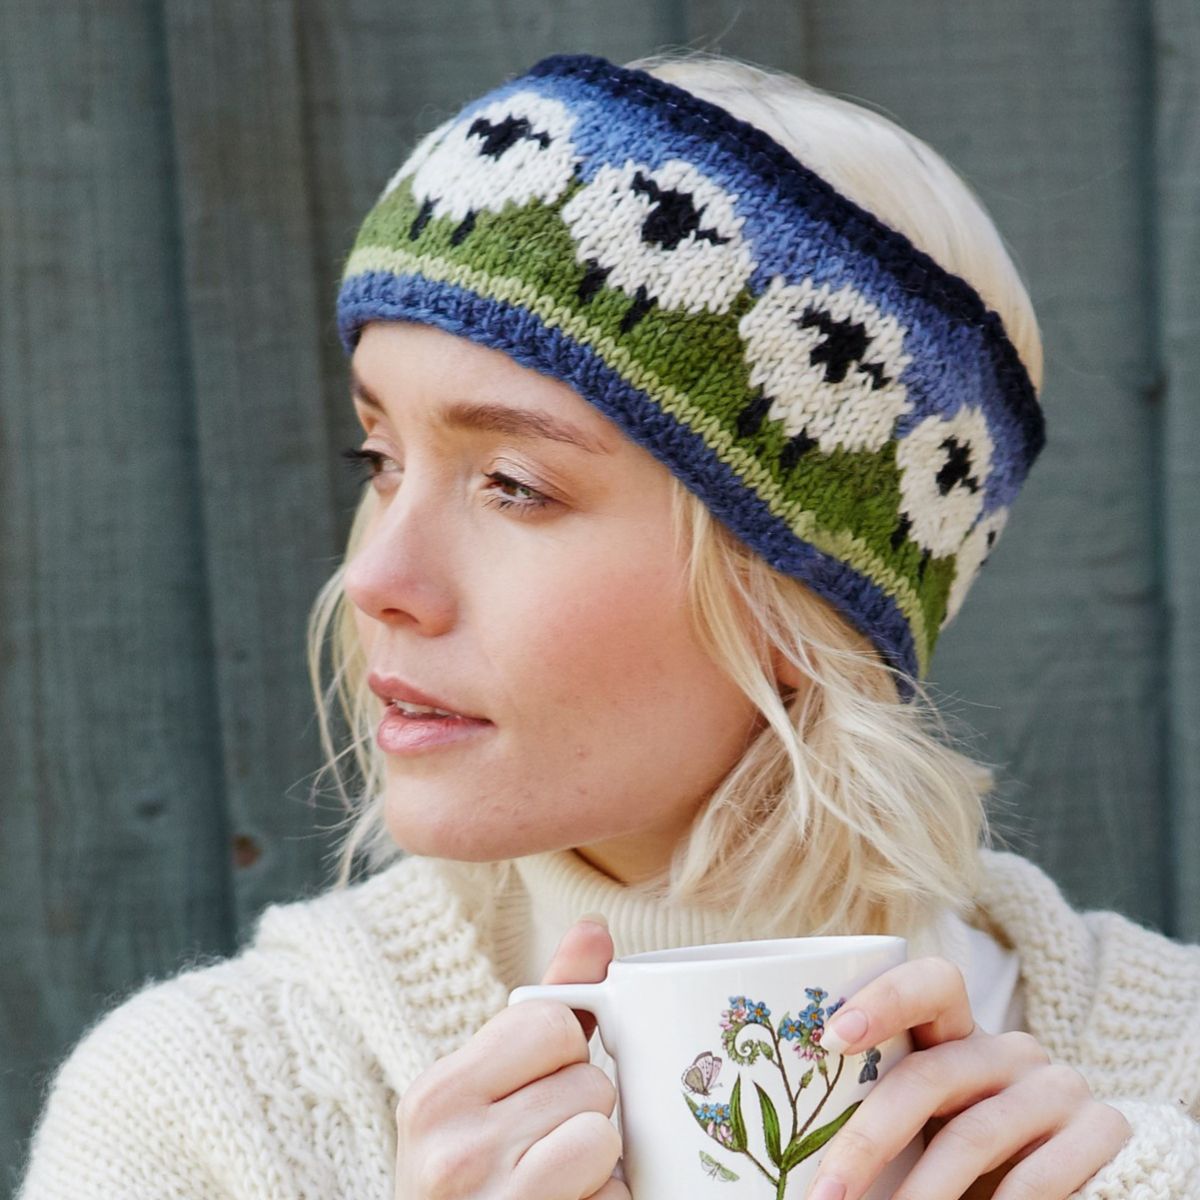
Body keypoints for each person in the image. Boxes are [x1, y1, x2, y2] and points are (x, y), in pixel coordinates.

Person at [15, 50, 1200, 1200]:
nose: (378, 574)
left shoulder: (1163, 1081)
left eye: (514, 486)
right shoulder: (207, 1113)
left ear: (798, 596)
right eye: (378, 458)